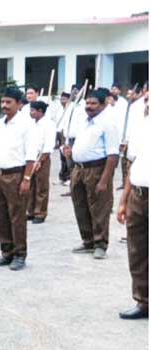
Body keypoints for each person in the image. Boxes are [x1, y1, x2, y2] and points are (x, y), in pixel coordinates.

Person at [61, 88, 119, 260]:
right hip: (79, 170)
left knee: (99, 207)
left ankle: (100, 243)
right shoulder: (84, 122)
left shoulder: (108, 124)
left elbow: (113, 155)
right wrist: (70, 152)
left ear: (103, 104)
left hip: (97, 169)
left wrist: (104, 180)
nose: (89, 106)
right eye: (87, 103)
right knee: (80, 206)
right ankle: (88, 241)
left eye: (94, 103)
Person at [0, 87, 37, 271]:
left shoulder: (27, 125)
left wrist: (27, 178)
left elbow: (31, 154)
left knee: (16, 217)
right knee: (0, 217)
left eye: (9, 102)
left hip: (17, 174)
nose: (4, 105)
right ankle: (6, 251)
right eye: (3, 102)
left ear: (18, 104)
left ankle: (19, 254)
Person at [116, 92, 149, 319]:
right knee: (137, 251)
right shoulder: (143, 127)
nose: (146, 104)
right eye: (146, 100)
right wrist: (123, 201)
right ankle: (143, 301)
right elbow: (132, 164)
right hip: (138, 195)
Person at [27, 101, 56, 224]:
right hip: (30, 158)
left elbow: (48, 145)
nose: (30, 112)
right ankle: (31, 211)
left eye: (33, 110)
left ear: (40, 111)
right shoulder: (31, 124)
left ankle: (40, 212)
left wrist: (40, 160)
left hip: (41, 158)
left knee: (41, 186)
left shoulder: (49, 124)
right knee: (31, 186)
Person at [55, 92, 72, 183]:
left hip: (67, 135)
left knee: (68, 157)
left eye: (64, 99)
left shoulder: (71, 110)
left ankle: (69, 177)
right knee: (62, 157)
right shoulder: (59, 110)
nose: (62, 101)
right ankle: (62, 177)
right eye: (61, 99)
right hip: (60, 134)